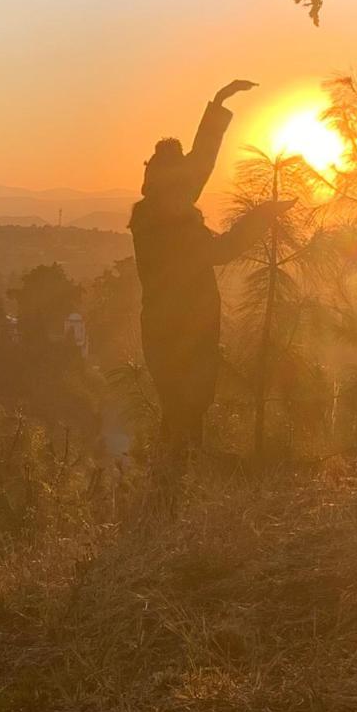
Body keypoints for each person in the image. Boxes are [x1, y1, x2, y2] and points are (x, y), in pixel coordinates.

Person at [130, 80, 293, 462]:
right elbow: (222, 250)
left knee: (184, 414)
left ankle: (172, 497)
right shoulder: (167, 221)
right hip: (180, 333)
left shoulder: (157, 208)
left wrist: (218, 105)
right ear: (170, 182)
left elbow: (198, 165)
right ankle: (173, 498)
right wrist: (262, 216)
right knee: (185, 415)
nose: (192, 179)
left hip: (168, 329)